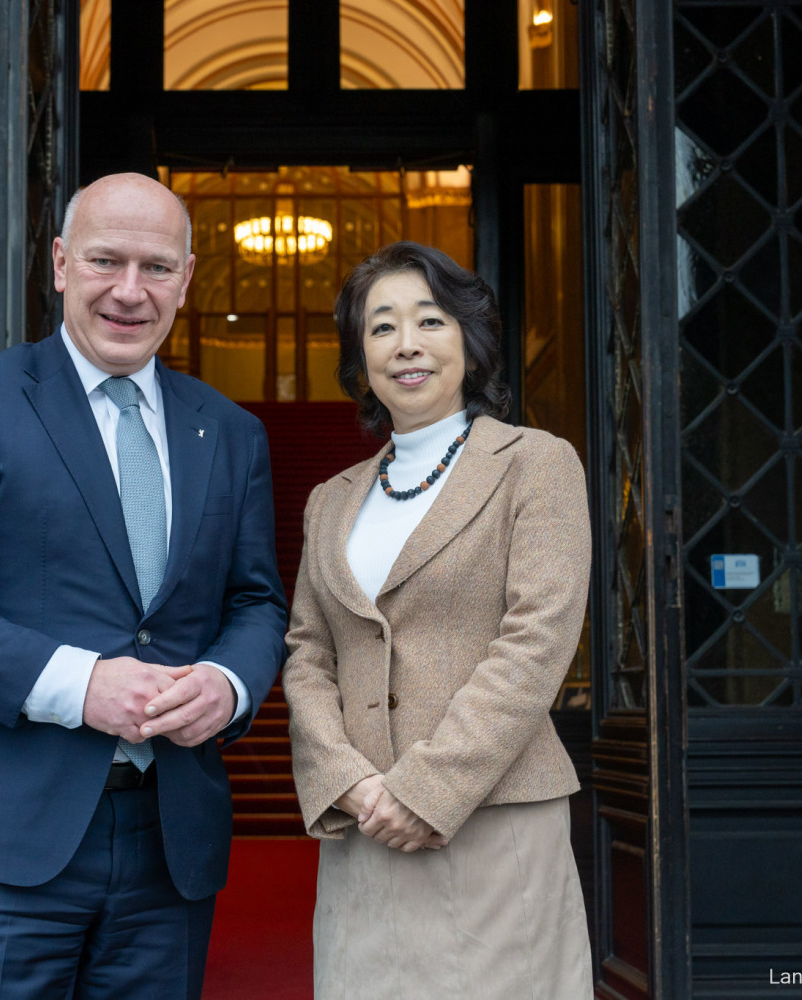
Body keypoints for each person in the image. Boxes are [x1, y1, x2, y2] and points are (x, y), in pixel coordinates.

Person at [0, 172, 288, 999]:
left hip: (170, 844)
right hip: (1, 840)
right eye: (105, 261)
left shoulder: (232, 431)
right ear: (60, 263)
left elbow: (256, 601)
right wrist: (78, 683)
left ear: (186, 280)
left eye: (156, 268)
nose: (130, 291)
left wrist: (229, 683)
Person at [282, 241, 594, 998]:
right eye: (382, 326)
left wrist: (425, 791)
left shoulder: (535, 463)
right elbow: (308, 652)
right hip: (365, 827)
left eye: (430, 320)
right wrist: (346, 779)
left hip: (490, 818)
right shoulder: (331, 499)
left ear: (470, 340)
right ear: (360, 357)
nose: (407, 344)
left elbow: (537, 640)